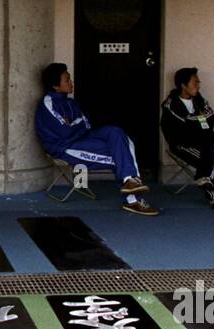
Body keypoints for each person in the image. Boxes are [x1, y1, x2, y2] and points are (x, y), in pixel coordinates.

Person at [35, 62, 158, 216]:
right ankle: (133, 200)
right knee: (119, 155)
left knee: (118, 134)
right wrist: (76, 126)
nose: (71, 82)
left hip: (82, 138)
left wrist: (74, 125)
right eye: (67, 80)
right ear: (55, 85)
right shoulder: (48, 103)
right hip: (64, 147)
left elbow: (85, 125)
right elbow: (64, 132)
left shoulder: (71, 102)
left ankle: (130, 180)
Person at [161, 67, 214, 211]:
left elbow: (210, 116)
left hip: (202, 142)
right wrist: (198, 122)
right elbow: (184, 125)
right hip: (182, 145)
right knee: (213, 150)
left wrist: (195, 124)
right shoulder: (171, 103)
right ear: (183, 85)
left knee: (213, 145)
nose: (198, 86)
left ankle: (204, 178)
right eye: (195, 83)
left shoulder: (199, 99)